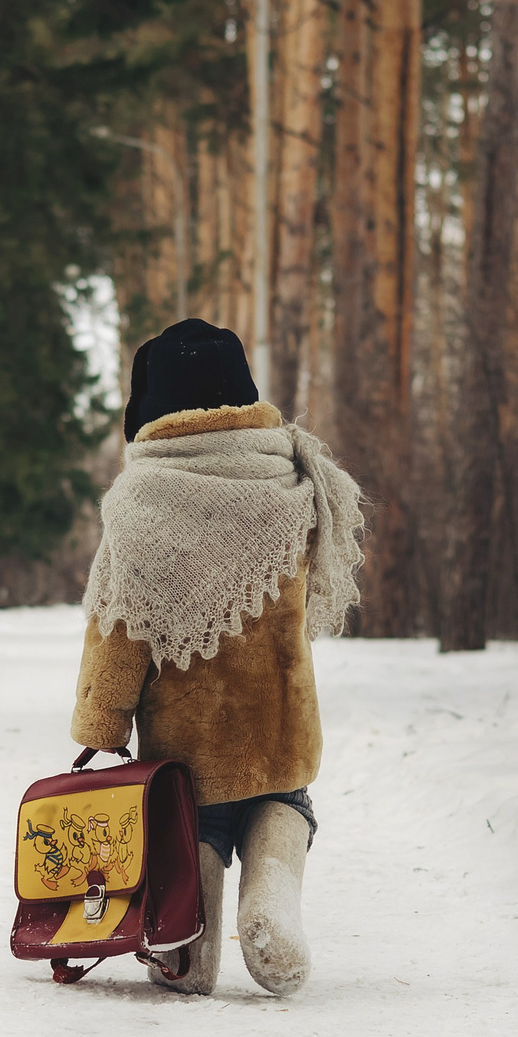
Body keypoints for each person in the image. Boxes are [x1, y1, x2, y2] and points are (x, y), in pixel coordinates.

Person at [71, 319, 363, 996]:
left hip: (187, 761)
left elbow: (117, 634)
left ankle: (189, 949)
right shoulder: (293, 479)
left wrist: (102, 727)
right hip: (283, 735)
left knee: (191, 835)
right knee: (285, 809)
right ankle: (271, 897)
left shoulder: (142, 504)